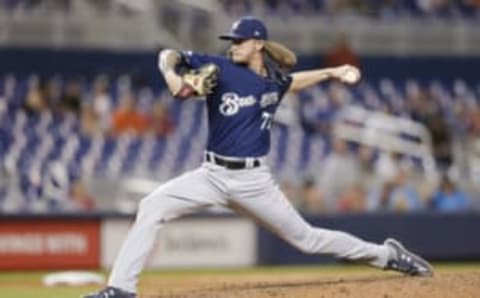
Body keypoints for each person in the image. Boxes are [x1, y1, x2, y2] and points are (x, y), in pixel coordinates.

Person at [85, 16, 433, 298]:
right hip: (210, 175)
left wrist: (330, 72)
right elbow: (168, 56)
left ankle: (389, 255)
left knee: (308, 240)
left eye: (239, 40)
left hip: (254, 182)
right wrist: (172, 72)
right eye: (232, 40)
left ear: (257, 44)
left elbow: (292, 82)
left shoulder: (272, 82)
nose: (232, 45)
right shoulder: (220, 68)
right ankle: (120, 290)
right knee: (152, 206)